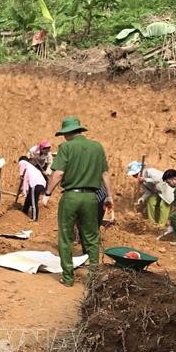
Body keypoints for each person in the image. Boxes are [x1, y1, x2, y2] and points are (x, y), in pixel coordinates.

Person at [42, 117, 114, 287]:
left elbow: (58, 173)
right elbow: (105, 174)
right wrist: (109, 196)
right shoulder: (97, 147)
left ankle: (68, 278)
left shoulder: (66, 147)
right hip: (91, 197)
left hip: (71, 197)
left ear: (67, 133)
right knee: (91, 237)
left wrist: (47, 193)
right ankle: (93, 277)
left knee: (66, 236)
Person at [127, 161, 174, 226]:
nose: (135, 176)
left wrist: (145, 179)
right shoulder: (142, 181)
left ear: (140, 171)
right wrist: (142, 198)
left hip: (167, 189)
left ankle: (161, 224)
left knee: (163, 205)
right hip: (158, 192)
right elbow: (148, 191)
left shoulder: (150, 172)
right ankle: (152, 223)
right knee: (151, 201)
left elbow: (158, 180)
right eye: (133, 175)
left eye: (135, 174)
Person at [17, 156, 46, 221]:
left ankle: (34, 218)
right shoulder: (31, 168)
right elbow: (25, 179)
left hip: (35, 184)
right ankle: (24, 211)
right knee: (29, 197)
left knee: (33, 201)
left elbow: (22, 175)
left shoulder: (23, 162)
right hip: (41, 183)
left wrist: (21, 175)